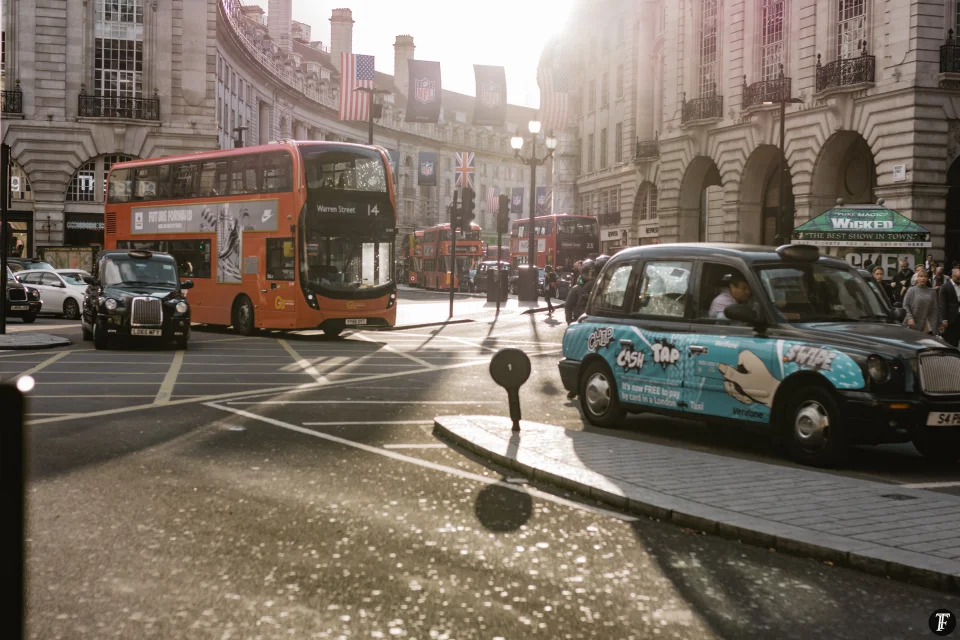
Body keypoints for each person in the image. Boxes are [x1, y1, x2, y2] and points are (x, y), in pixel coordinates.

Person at [903, 270, 939, 335]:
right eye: (921, 276)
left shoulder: (932, 292)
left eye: (925, 276)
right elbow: (905, 305)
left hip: (927, 324)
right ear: (917, 278)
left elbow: (935, 309)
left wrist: (936, 325)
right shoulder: (912, 290)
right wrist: (909, 318)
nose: (923, 278)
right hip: (912, 323)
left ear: (927, 278)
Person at [939, 265, 960, 347]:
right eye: (958, 278)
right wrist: (944, 319)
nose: (959, 280)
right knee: (951, 341)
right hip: (951, 318)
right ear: (952, 275)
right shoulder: (945, 287)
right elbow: (942, 304)